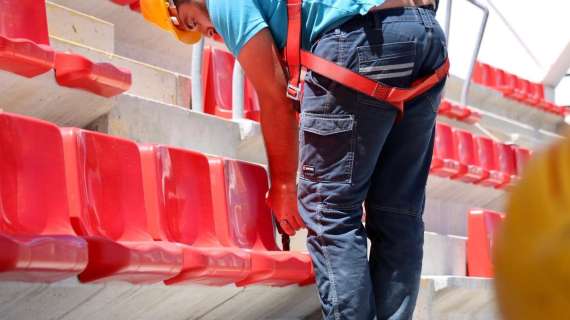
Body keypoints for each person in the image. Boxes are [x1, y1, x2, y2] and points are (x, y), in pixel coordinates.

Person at [142, 0, 448, 318]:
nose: (208, 31)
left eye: (191, 22)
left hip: (361, 37)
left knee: (330, 212)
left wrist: (285, 185)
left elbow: (273, 92)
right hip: (424, 32)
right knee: (398, 215)